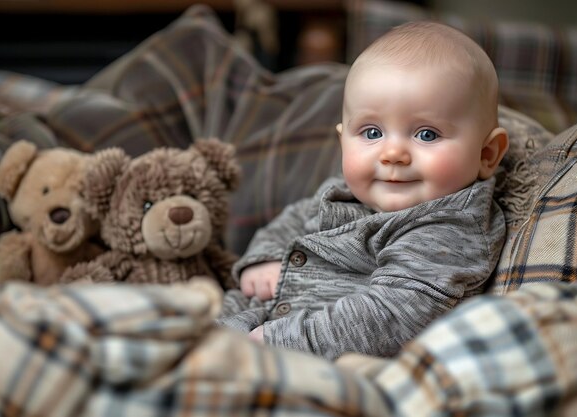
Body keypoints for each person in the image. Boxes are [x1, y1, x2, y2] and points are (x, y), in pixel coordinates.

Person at [217, 21, 510, 360]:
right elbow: (293, 219)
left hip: (319, 359)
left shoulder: (448, 231)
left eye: (426, 134)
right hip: (250, 318)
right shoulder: (344, 194)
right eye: (372, 133)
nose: (392, 154)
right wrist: (264, 258)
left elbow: (390, 316)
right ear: (343, 140)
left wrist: (282, 340)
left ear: (487, 154)